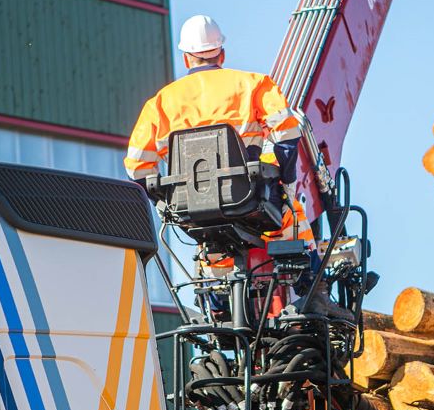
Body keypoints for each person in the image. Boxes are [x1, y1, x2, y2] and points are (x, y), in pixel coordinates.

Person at [124, 14, 314, 251]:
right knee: (292, 216)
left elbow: (136, 166)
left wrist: (163, 203)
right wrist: (287, 182)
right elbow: (286, 133)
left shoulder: (160, 103)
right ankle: (313, 285)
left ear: (186, 59)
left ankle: (215, 283)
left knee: (212, 248)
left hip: (190, 207)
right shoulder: (254, 84)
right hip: (250, 197)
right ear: (221, 54)